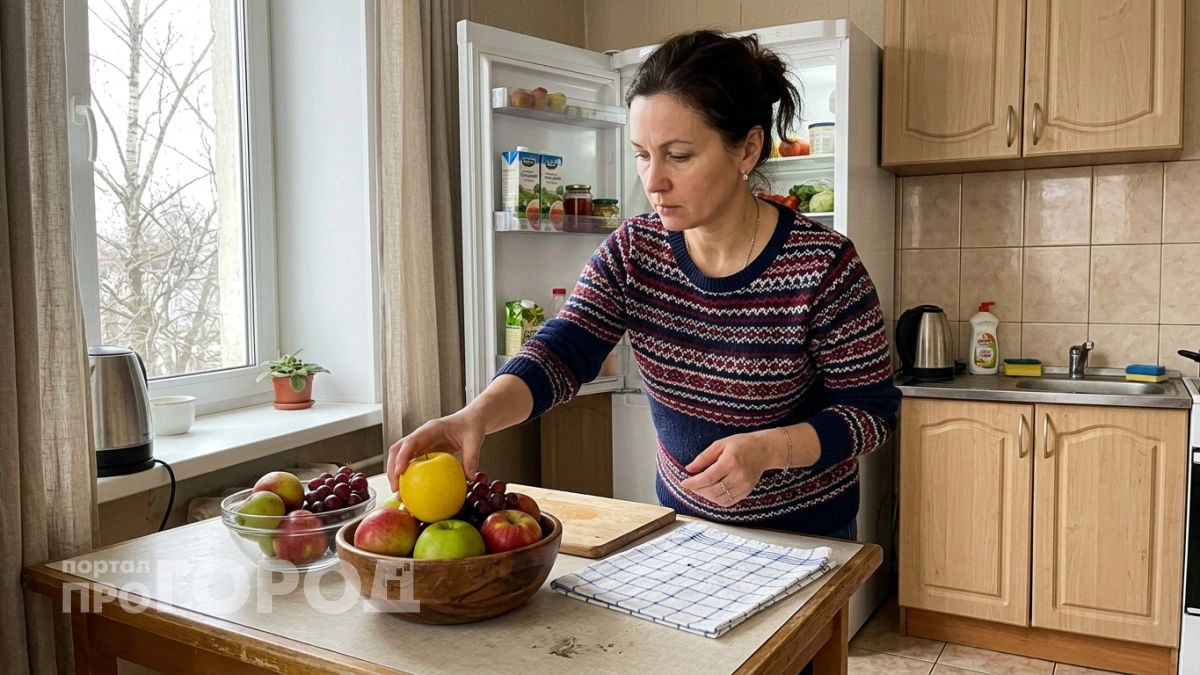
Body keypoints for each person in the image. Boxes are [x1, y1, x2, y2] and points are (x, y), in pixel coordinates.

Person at [388, 29, 899, 541]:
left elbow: (871, 412)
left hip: (807, 538)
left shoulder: (824, 265)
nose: (653, 181)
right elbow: (564, 350)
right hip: (684, 526)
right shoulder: (635, 250)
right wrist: (474, 417)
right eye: (642, 154)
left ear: (746, 149)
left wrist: (771, 449)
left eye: (678, 155)